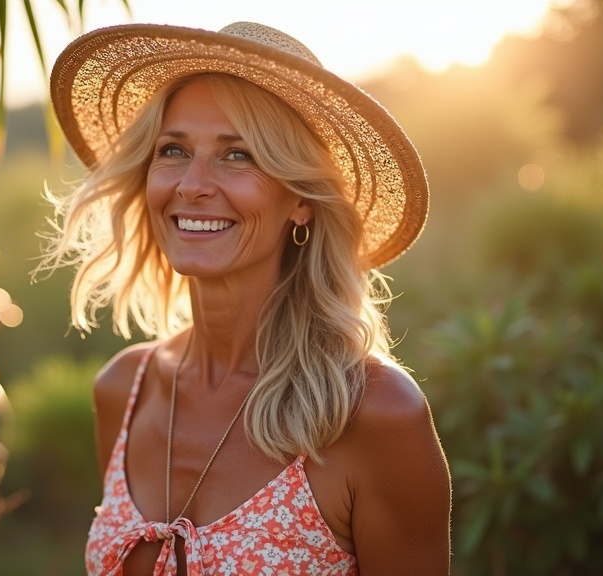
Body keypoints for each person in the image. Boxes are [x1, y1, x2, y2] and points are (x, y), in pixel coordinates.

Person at [38, 21, 451, 576]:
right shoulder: (124, 391)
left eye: (238, 156)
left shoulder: (372, 413)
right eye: (173, 149)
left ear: (301, 200)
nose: (192, 184)